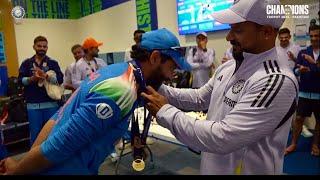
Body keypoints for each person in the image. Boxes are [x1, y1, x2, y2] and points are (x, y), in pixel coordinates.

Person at [0, 28, 191, 175]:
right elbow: (59, 145)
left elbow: (57, 117)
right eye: (172, 65)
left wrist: (30, 160)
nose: (173, 73)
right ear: (155, 57)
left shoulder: (114, 70)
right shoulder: (121, 90)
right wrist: (19, 171)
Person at [141, 0, 298, 175]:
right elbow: (200, 98)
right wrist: (153, 84)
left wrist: (165, 111)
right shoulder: (229, 66)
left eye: (237, 30)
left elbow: (223, 137)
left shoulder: (277, 80)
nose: (228, 37)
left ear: (267, 32)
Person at [18, 36, 63, 146]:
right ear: (34, 46)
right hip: (33, 106)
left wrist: (46, 76)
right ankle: (35, 161)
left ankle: (53, 160)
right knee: (36, 135)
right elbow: (20, 80)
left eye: (45, 46)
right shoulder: (27, 63)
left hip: (51, 105)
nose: (42, 48)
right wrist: (31, 79)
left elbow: (60, 80)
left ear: (47, 48)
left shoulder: (52, 63)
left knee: (53, 133)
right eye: (39, 46)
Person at [285, 25, 320, 156]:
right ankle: (293, 144)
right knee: (299, 118)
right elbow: (295, 70)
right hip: (304, 92)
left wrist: (313, 64)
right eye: (311, 36)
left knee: (319, 121)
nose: (314, 38)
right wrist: (300, 70)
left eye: (317, 35)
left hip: (318, 94)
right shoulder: (303, 52)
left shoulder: (309, 56)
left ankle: (315, 145)